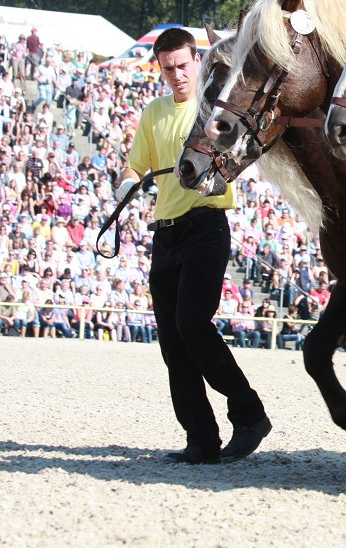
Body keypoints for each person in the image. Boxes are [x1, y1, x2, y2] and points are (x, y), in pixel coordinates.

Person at [116, 28, 270, 466]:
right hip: (164, 232)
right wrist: (128, 182)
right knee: (172, 342)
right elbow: (136, 165)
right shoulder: (154, 113)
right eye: (168, 69)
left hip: (205, 224)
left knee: (192, 323)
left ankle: (249, 412)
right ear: (159, 69)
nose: (177, 75)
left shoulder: (217, 108)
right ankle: (201, 439)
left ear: (197, 59)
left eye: (184, 65)